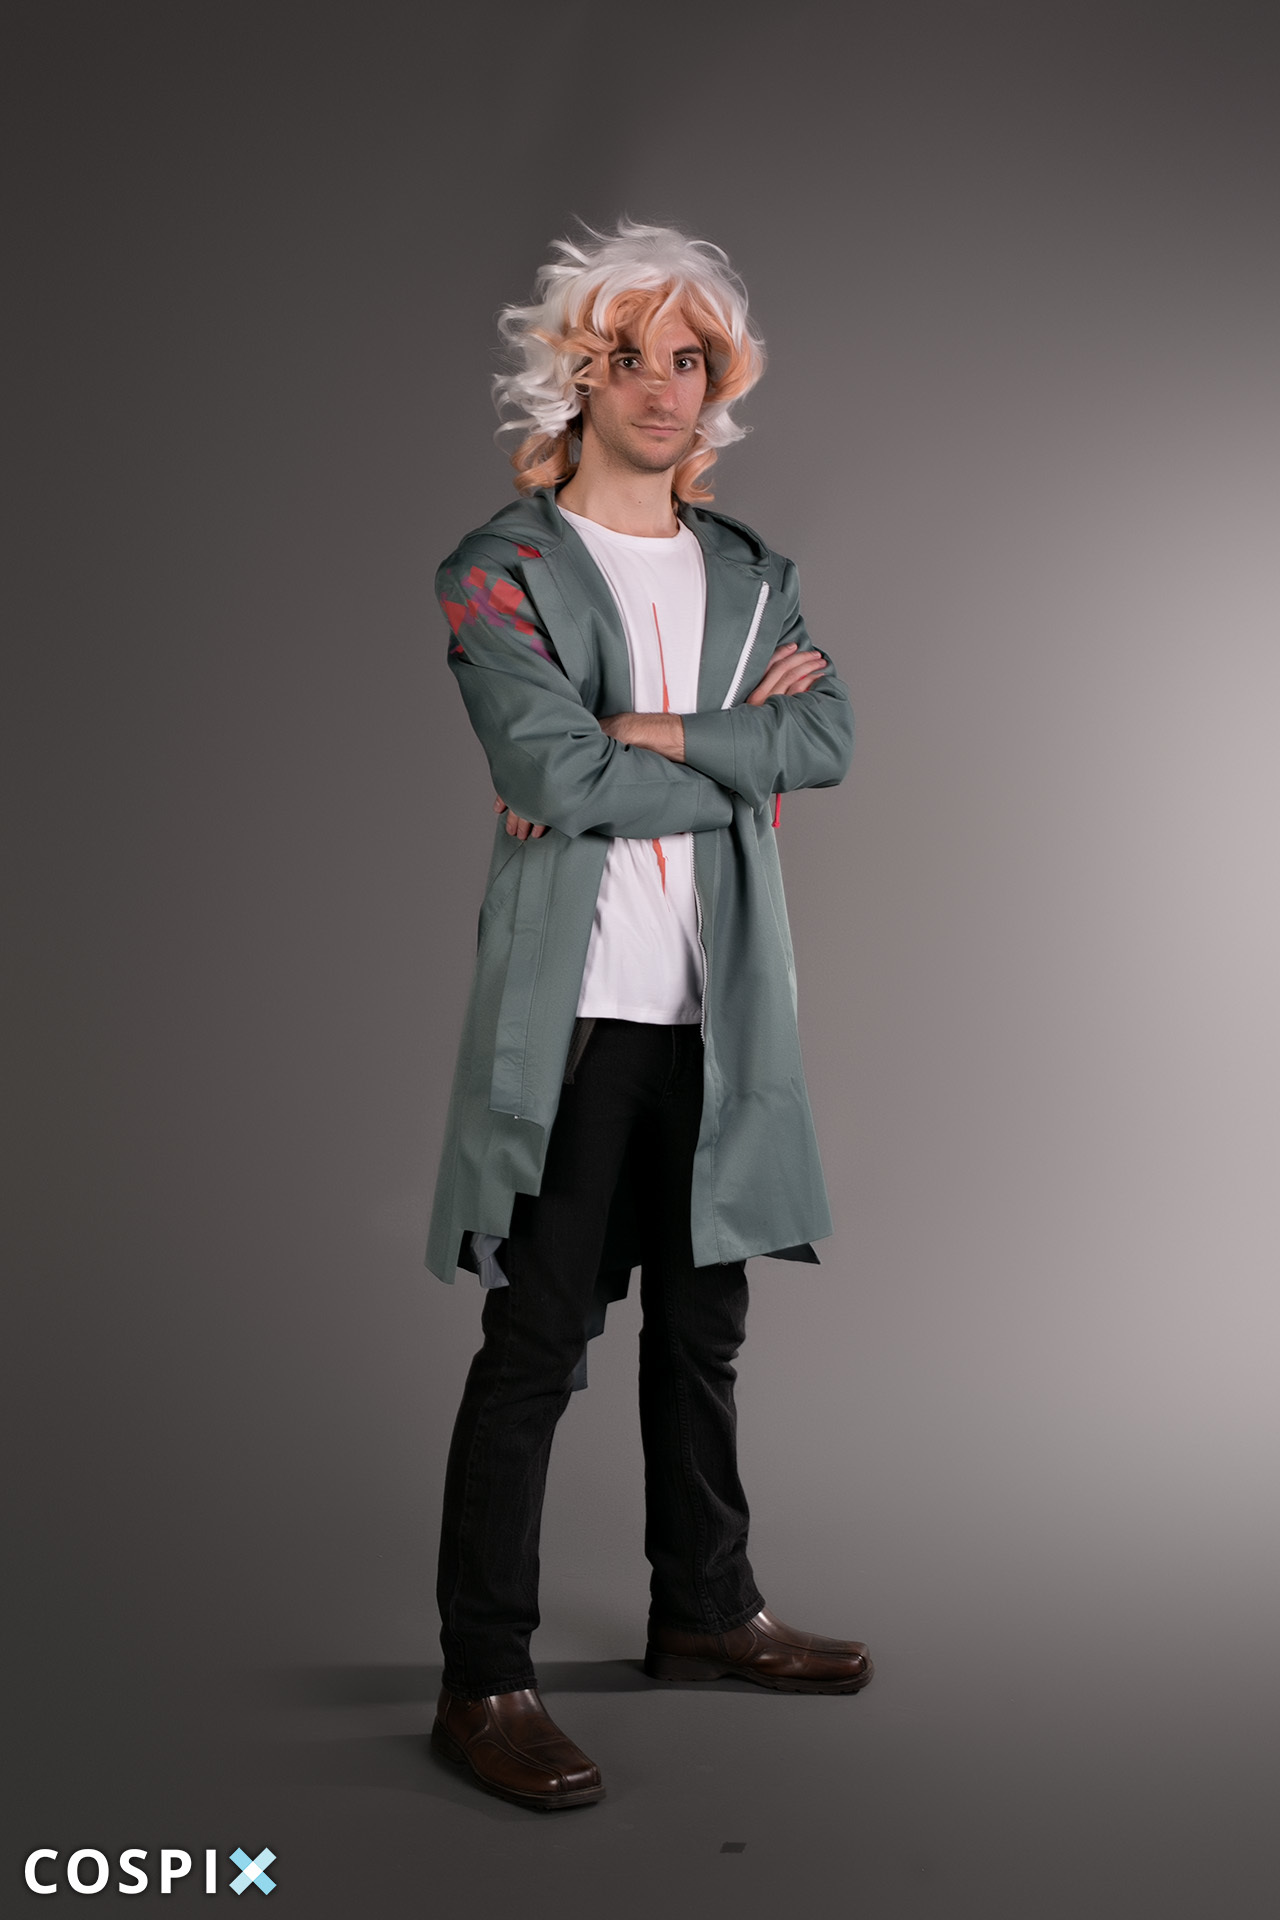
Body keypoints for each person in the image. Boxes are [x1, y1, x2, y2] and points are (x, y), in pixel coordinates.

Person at [426, 220, 871, 1813]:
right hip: (578, 1024)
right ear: (574, 373)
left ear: (717, 380)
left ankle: (705, 1609)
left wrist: (650, 732)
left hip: (720, 1019)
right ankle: (484, 1678)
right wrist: (727, 754)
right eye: (626, 355)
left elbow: (828, 738)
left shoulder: (751, 572)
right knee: (538, 1346)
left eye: (687, 357)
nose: (661, 385)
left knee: (704, 1335)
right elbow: (552, 774)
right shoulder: (501, 568)